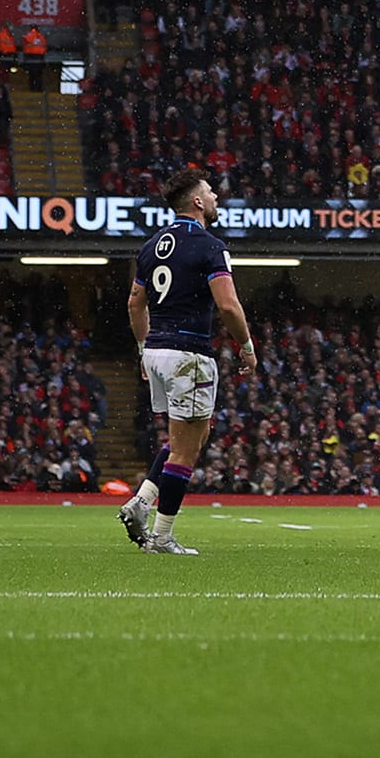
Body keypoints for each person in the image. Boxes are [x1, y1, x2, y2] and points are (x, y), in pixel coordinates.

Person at [116, 170, 257, 555]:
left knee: (191, 438)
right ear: (197, 201)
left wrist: (145, 349)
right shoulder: (210, 246)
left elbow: (134, 303)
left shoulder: (150, 246)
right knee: (185, 450)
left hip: (158, 350)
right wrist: (246, 344)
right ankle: (161, 537)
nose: (215, 198)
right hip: (188, 352)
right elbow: (227, 305)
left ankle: (140, 503)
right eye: (210, 193)